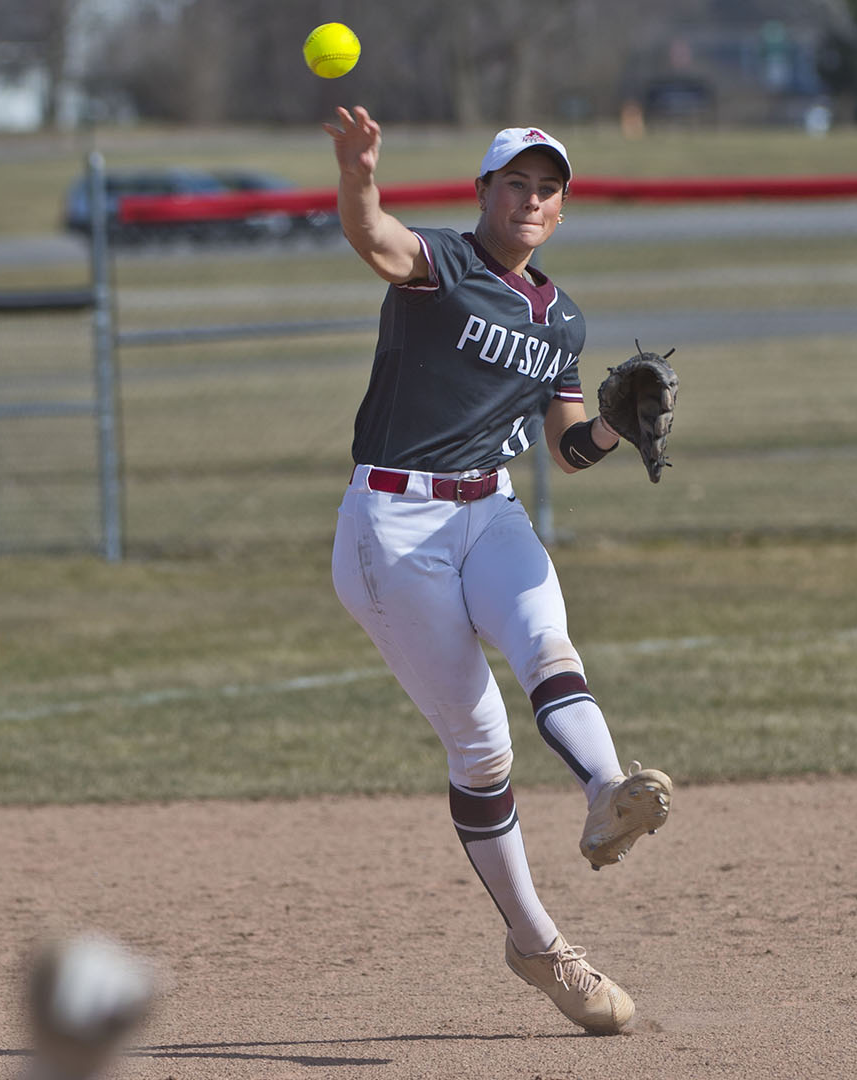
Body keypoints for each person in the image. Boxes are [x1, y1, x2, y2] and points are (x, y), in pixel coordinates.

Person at [322, 105, 673, 1035]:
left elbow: (569, 449)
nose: (531, 200)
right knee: (482, 747)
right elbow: (372, 236)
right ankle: (538, 945)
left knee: (546, 640)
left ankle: (607, 793)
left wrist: (616, 426)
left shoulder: (562, 319)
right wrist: (359, 174)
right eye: (515, 183)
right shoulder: (443, 265)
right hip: (393, 526)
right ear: (484, 193)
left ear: (561, 209)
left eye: (547, 189)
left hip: (490, 508)